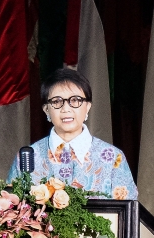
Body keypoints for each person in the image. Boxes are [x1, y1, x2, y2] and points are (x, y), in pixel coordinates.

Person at [8, 68, 138, 200]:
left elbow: (128, 213)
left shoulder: (113, 158)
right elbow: (11, 209)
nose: (66, 109)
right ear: (46, 109)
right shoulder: (28, 157)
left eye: (75, 100)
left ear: (87, 106)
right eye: (57, 102)